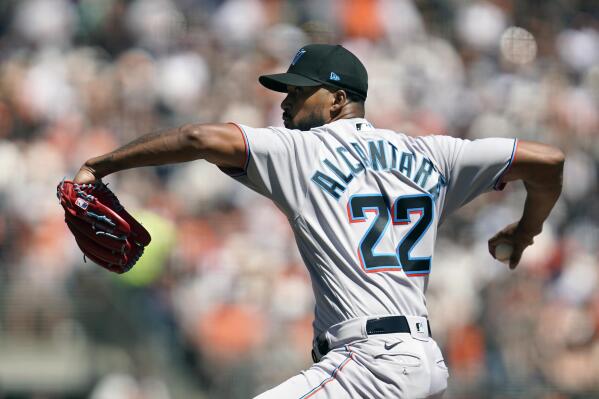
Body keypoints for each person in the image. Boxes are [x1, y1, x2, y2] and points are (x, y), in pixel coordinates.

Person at [73, 44, 564, 398]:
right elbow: (549, 161)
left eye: (298, 93)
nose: (284, 104)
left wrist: (102, 165)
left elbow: (199, 137)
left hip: (371, 365)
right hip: (420, 360)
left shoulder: (303, 150)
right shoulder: (434, 154)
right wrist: (526, 231)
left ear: (336, 99)